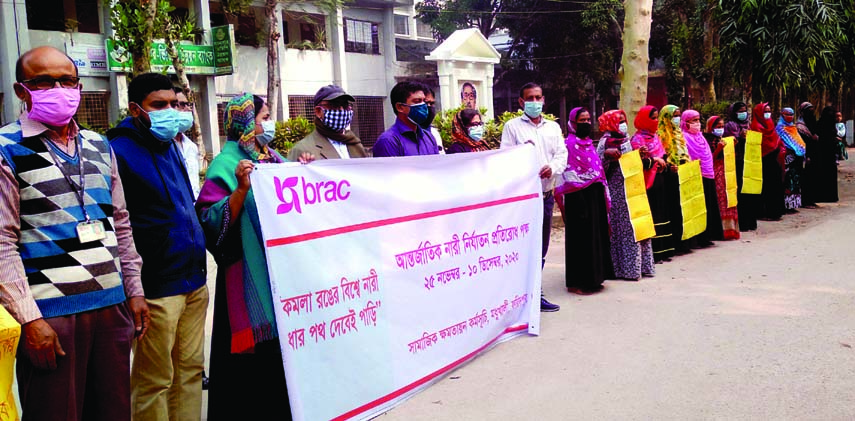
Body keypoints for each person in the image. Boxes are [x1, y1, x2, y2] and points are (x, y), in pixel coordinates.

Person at [0, 45, 148, 421]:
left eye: (67, 81)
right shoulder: (6, 147)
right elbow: (2, 242)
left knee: (114, 412)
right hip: (52, 317)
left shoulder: (99, 144)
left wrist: (134, 290)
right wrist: (30, 320)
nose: (59, 89)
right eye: (44, 82)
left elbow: (121, 223)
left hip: (111, 308)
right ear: (22, 90)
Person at [197, 93, 313, 420]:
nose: (269, 123)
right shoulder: (225, 163)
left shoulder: (271, 156)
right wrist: (240, 189)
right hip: (247, 277)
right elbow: (208, 220)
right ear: (246, 122)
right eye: (263, 116)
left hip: (280, 276)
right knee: (249, 373)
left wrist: (303, 171)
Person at [107, 73, 209, 421]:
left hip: (193, 280)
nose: (171, 111)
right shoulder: (118, 151)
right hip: (155, 287)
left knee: (190, 372)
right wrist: (133, 287)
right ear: (136, 109)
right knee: (155, 381)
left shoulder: (172, 147)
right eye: (159, 105)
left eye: (175, 103)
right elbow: (118, 223)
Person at [500, 82, 566, 312]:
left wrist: (552, 167)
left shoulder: (553, 128)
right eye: (530, 98)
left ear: (544, 99)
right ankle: (521, 296)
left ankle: (536, 293)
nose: (535, 102)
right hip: (525, 198)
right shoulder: (512, 127)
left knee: (542, 246)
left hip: (546, 195)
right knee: (524, 246)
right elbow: (506, 158)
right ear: (521, 102)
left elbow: (561, 154)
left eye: (538, 98)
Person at [556, 107, 612, 294]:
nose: (586, 123)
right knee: (580, 238)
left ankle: (595, 278)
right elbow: (566, 172)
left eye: (589, 120)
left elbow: (597, 169)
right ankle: (577, 282)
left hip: (594, 195)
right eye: (582, 120)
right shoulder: (568, 145)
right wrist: (579, 186)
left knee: (595, 236)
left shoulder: (589, 144)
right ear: (573, 122)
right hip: (576, 196)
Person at [596, 109, 655, 280]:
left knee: (639, 224)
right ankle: (626, 270)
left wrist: (640, 155)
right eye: (618, 120)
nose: (623, 124)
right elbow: (598, 167)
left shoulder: (627, 139)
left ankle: (641, 267)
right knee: (625, 228)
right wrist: (608, 157)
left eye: (624, 120)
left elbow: (633, 161)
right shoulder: (605, 142)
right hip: (618, 190)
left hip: (634, 188)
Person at [631, 106, 673, 262]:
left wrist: (665, 163)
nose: (655, 121)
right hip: (646, 183)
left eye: (656, 118)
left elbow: (663, 154)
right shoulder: (637, 140)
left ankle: (664, 250)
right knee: (652, 214)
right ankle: (653, 253)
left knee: (662, 211)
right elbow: (636, 162)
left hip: (659, 180)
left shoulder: (655, 137)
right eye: (652, 118)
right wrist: (654, 161)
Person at [288, 84, 367, 160]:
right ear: (318, 111)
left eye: (345, 105)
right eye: (334, 105)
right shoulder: (302, 150)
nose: (341, 110)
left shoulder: (355, 144)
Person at [658, 105, 695, 253]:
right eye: (674, 116)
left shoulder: (679, 134)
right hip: (670, 176)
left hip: (683, 174)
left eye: (678, 115)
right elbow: (661, 155)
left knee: (684, 208)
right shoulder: (661, 135)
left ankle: (686, 242)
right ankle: (676, 244)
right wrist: (669, 166)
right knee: (674, 209)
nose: (677, 119)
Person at [682, 109, 721, 244]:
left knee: (708, 204)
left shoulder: (701, 137)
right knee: (697, 206)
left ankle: (708, 236)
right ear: (686, 122)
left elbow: (707, 155)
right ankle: (698, 238)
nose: (697, 123)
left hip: (708, 173)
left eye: (698, 120)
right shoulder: (684, 137)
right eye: (694, 121)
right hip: (695, 175)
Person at [372, 81, 439, 157]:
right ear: (400, 107)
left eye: (424, 101)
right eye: (417, 101)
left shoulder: (429, 138)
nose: (423, 106)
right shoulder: (388, 141)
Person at [704, 116, 740, 240]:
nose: (720, 129)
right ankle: (720, 230)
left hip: (726, 173)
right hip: (715, 173)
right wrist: (719, 148)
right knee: (720, 200)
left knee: (728, 198)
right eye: (717, 127)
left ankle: (730, 229)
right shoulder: (706, 140)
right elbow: (709, 159)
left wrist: (732, 146)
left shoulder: (722, 139)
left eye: (722, 127)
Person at [724, 101, 758, 231]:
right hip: (736, 162)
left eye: (744, 111)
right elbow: (729, 143)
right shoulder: (730, 126)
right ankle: (742, 223)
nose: (743, 113)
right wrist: (740, 137)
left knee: (750, 190)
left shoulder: (749, 125)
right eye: (740, 111)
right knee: (740, 192)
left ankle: (751, 221)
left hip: (749, 161)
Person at [750, 102, 784, 221]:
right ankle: (766, 212)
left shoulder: (770, 124)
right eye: (765, 111)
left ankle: (776, 211)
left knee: (775, 186)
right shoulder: (756, 127)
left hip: (774, 161)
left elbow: (776, 140)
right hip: (763, 162)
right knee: (766, 188)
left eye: (769, 111)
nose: (767, 113)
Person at [775, 108, 806, 212]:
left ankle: (793, 204)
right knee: (787, 180)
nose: (790, 116)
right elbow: (783, 141)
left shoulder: (793, 127)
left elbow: (798, 141)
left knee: (795, 180)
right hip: (786, 157)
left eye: (792, 114)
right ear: (782, 115)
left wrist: (800, 150)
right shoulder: (780, 128)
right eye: (787, 114)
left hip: (796, 158)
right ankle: (786, 205)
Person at [173, 87, 201, 199]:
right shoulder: (161, 147)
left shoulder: (191, 147)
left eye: (188, 105)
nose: (188, 109)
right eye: (182, 105)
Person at [814, 106, 840, 203]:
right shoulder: (822, 124)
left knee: (827, 174)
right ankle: (827, 196)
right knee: (825, 174)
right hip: (823, 154)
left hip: (827, 155)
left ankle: (826, 196)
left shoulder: (822, 124)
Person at [796, 102, 819, 208]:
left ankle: (812, 199)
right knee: (805, 179)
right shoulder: (799, 127)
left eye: (812, 110)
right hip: (805, 157)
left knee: (814, 177)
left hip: (815, 155)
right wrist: (807, 155)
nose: (811, 113)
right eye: (808, 111)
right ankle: (805, 201)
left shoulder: (813, 123)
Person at [422, 85, 445, 154]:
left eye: (431, 103)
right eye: (425, 103)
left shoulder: (434, 133)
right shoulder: (394, 139)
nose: (429, 107)